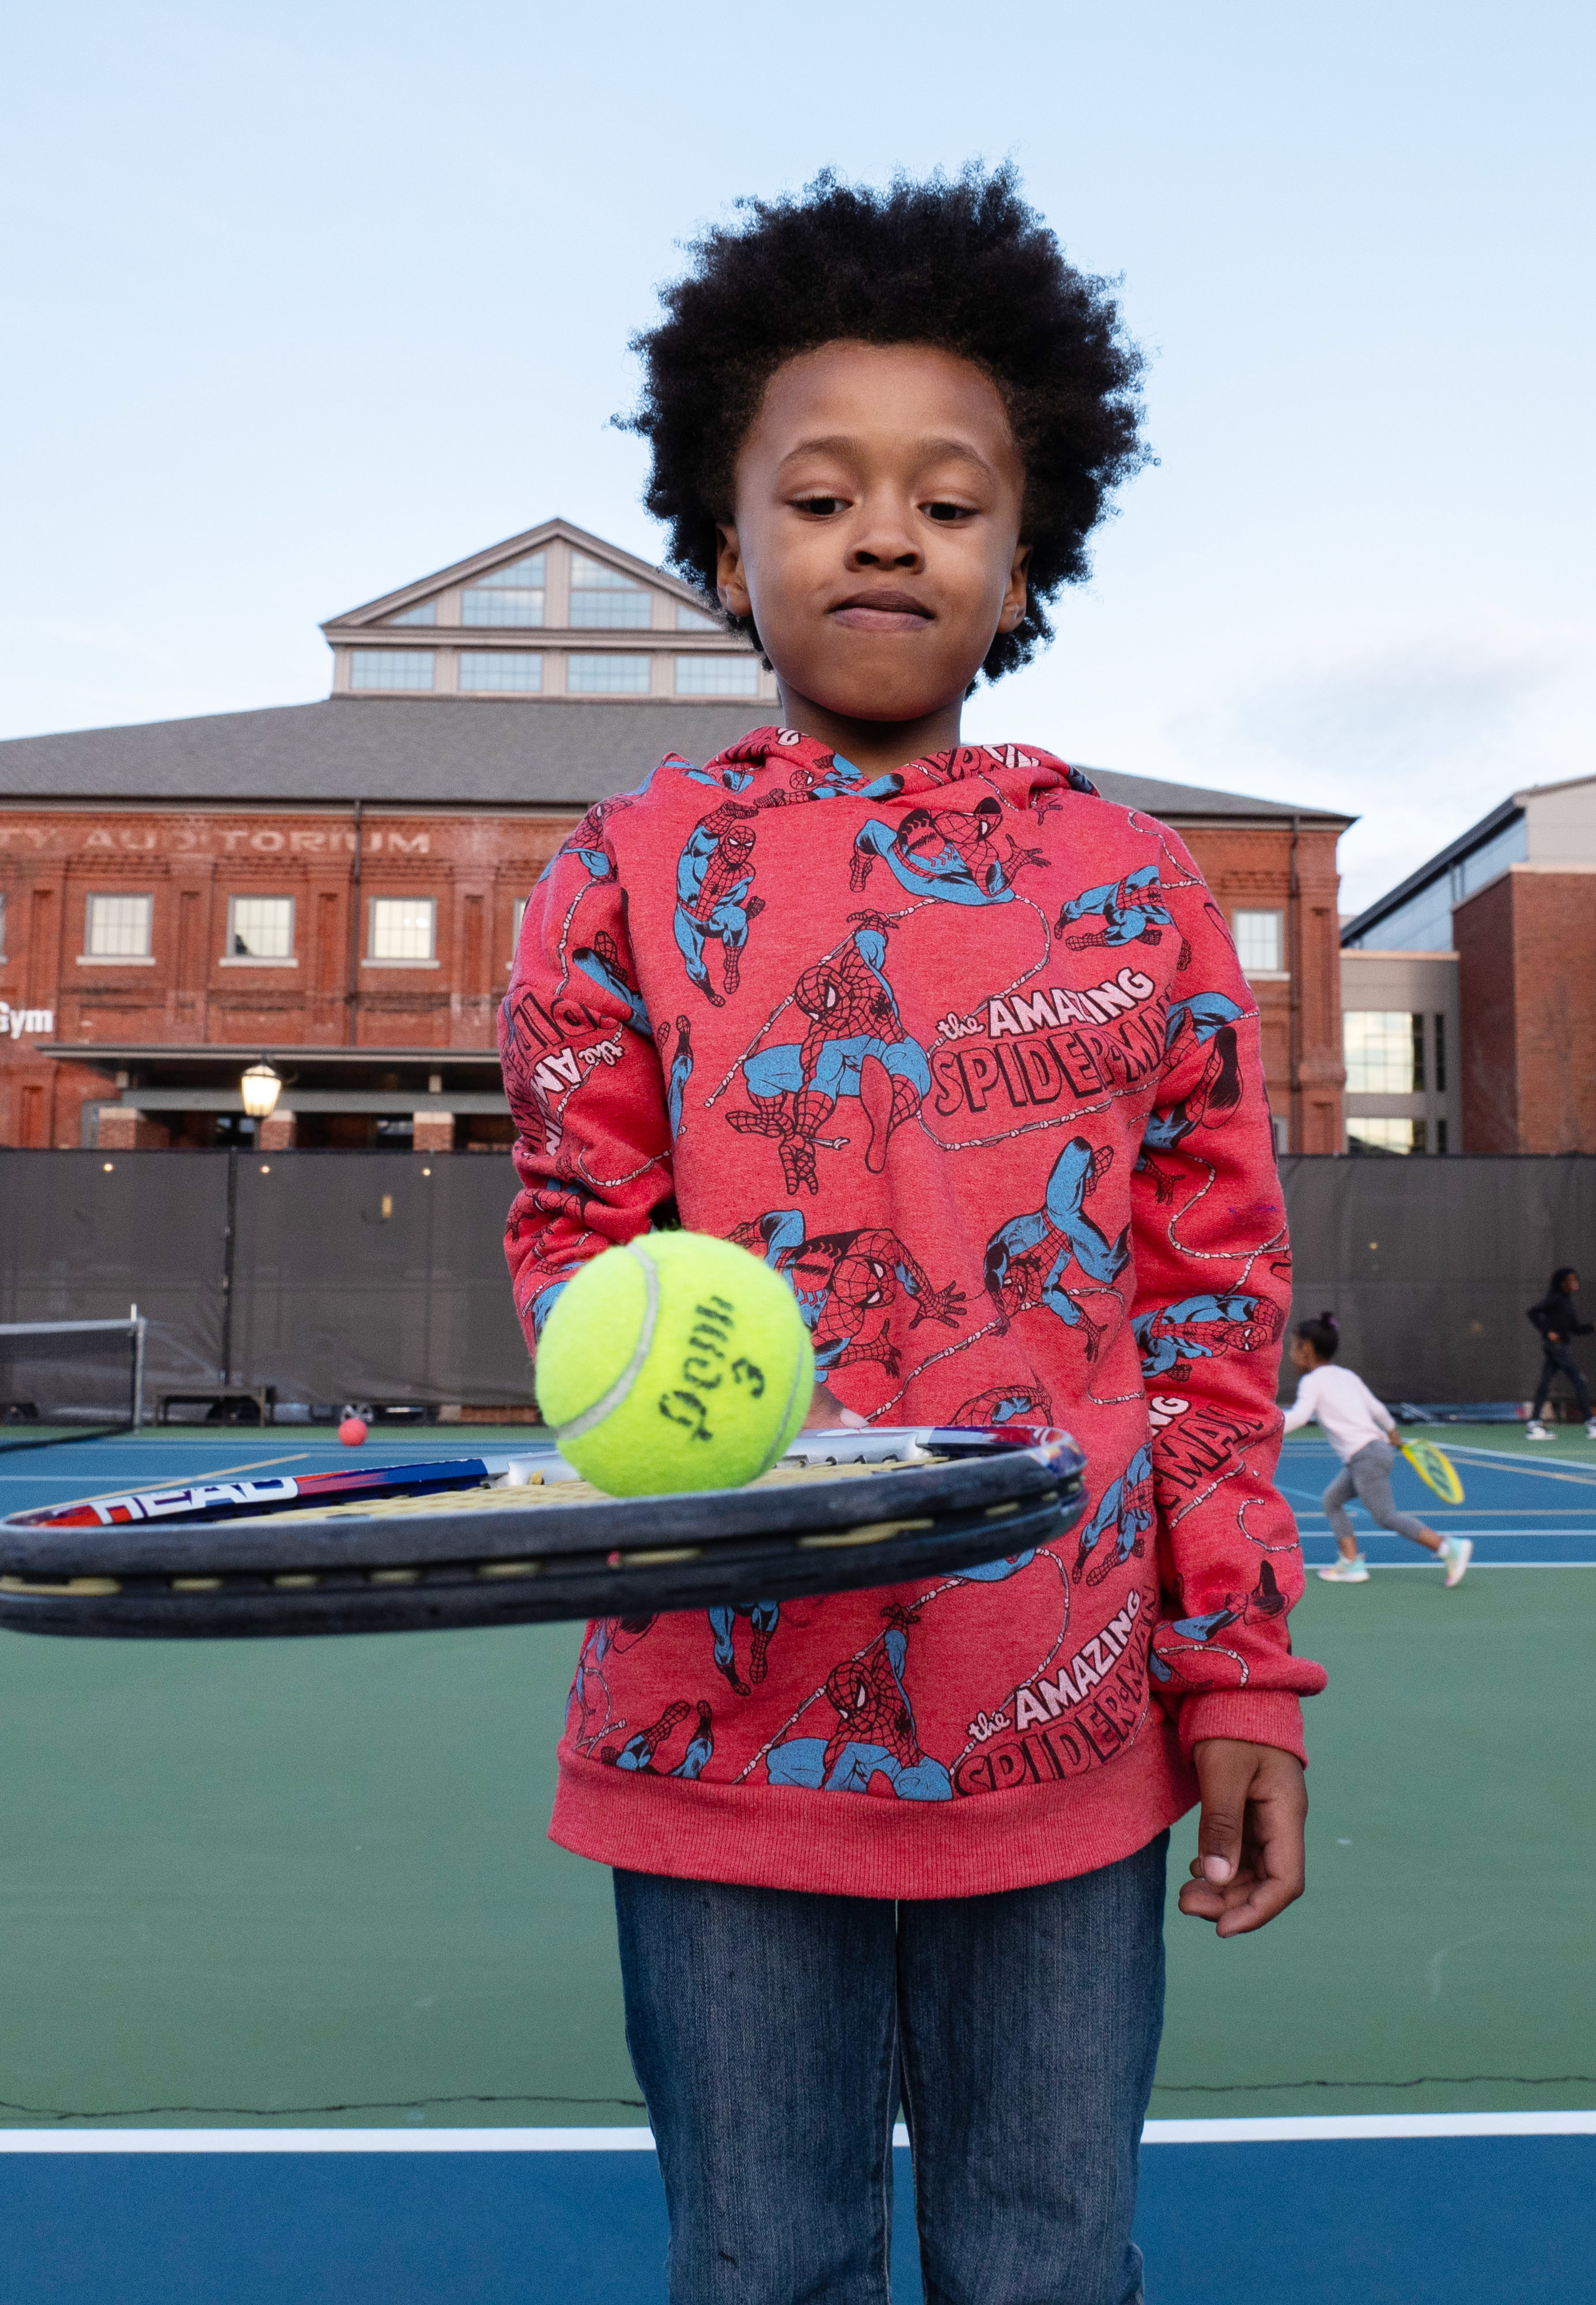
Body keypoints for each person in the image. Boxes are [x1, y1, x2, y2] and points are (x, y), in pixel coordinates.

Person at [499, 168, 1319, 2305]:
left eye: (949, 502)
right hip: (711, 1717)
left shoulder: (1144, 888)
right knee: (761, 2263)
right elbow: (577, 1249)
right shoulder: (615, 875)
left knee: (1047, 2267)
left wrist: (1239, 1667)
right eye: (824, 493)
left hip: (1065, 1723)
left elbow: (1212, 1323)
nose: (888, 533)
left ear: (1022, 559)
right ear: (722, 544)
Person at [1282, 1312, 1469, 1587]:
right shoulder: (1347, 1376)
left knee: (1385, 1517)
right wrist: (1392, 1432)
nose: (1289, 1354)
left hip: (1366, 1457)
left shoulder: (1312, 1382)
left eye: (1292, 1346)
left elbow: (1298, 1416)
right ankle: (1351, 1563)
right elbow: (1378, 1410)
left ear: (1306, 1349)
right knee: (1331, 1501)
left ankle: (1447, 1547)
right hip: (1375, 1451)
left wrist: (1266, 1424)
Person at [1525, 1265, 1596, 1441]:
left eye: (1576, 1279)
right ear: (1562, 1283)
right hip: (1555, 1348)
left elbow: (1575, 1329)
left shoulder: (1567, 1302)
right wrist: (1547, 1331)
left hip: (1559, 1348)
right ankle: (1592, 1424)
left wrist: (1593, 1327)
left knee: (1545, 1384)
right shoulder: (1555, 1299)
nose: (1575, 1282)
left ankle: (1534, 1424)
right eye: (1571, 1280)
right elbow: (1532, 1313)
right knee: (1579, 1381)